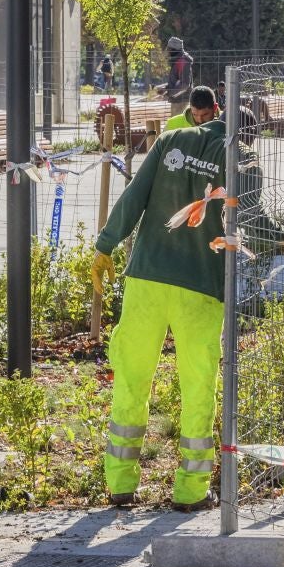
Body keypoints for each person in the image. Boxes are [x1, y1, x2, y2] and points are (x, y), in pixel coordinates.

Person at [92, 100, 238, 511]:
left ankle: (120, 484)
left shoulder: (170, 139)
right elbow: (252, 220)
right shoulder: (239, 158)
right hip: (200, 288)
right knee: (197, 386)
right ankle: (191, 492)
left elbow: (134, 198)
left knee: (132, 377)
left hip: (147, 280)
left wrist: (105, 246)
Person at [163, 37, 194, 107]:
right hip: (177, 100)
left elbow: (185, 84)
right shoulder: (178, 61)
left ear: (175, 49)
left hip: (181, 101)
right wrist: (166, 89)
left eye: (169, 49)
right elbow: (177, 81)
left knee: (179, 118)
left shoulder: (182, 61)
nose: (168, 51)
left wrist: (169, 93)